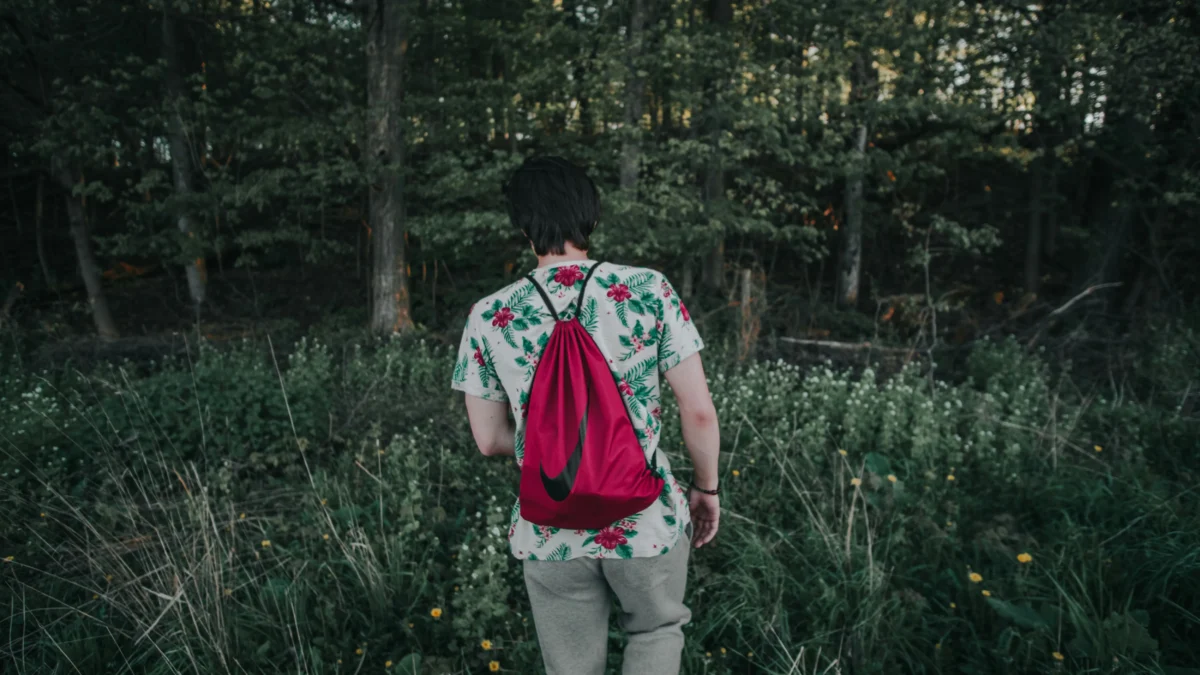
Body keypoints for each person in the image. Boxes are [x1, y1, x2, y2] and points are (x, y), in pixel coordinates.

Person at [450, 155, 721, 674]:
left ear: (522, 225)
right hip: (643, 519)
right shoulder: (647, 290)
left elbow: (488, 439)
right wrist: (706, 490)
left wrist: (557, 447)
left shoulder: (489, 314)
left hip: (551, 531)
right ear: (590, 216)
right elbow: (699, 412)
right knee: (656, 630)